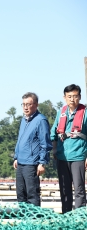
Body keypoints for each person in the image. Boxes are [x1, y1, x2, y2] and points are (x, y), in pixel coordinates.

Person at [50, 84, 87, 213]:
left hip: (78, 156)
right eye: (69, 96)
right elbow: (54, 133)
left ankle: (79, 217)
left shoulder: (85, 113)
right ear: (64, 97)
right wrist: (54, 150)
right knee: (64, 189)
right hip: (62, 156)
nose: (72, 99)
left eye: (75, 96)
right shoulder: (61, 113)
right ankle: (66, 216)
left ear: (80, 97)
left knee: (79, 189)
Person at [13, 92, 52, 206]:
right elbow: (20, 140)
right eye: (23, 104)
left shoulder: (40, 120)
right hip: (20, 162)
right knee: (20, 194)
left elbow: (45, 143)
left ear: (36, 105)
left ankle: (34, 221)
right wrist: (16, 157)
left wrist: (42, 162)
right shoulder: (23, 120)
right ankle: (24, 221)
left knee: (32, 194)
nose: (25, 107)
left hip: (31, 163)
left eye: (29, 104)